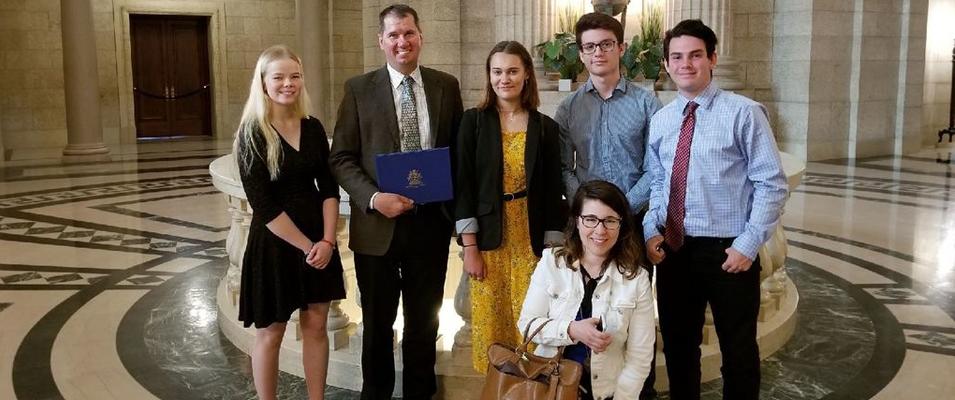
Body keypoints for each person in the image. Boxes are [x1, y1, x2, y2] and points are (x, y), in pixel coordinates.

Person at [643, 19, 789, 400]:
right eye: (676, 57)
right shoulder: (661, 120)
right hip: (676, 250)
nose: (685, 64)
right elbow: (658, 183)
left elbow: (771, 182)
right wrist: (651, 228)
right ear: (667, 63)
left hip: (729, 250)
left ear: (713, 58)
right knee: (678, 348)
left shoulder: (744, 113)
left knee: (738, 352)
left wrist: (749, 243)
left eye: (695, 55)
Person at [328, 4, 463, 399]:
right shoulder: (358, 89)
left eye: (408, 33)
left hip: (429, 226)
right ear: (381, 42)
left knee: (424, 324)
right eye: (393, 35)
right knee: (377, 325)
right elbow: (340, 157)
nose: (401, 42)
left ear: (420, 36)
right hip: (377, 229)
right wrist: (373, 197)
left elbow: (456, 154)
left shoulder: (445, 86)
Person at [555, 12, 662, 398]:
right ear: (580, 54)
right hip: (585, 230)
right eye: (589, 47)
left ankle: (637, 390)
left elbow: (657, 167)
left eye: (605, 44)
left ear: (621, 48)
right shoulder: (568, 108)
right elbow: (562, 166)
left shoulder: (647, 103)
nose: (597, 52)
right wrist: (589, 211)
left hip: (632, 220)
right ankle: (584, 388)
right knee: (586, 308)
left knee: (634, 315)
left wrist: (619, 211)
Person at [234, 45, 345, 400]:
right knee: (272, 332)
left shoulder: (312, 128)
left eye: (294, 76)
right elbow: (262, 204)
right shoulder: (252, 133)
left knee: (316, 326)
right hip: (275, 241)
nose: (288, 84)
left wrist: (327, 241)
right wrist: (308, 246)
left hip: (318, 237)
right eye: (279, 77)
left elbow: (329, 188)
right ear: (263, 83)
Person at [455, 40, 568, 373]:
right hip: (489, 241)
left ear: (527, 75)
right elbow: (463, 187)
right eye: (497, 71)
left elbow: (552, 191)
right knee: (494, 325)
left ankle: (532, 392)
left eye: (512, 71)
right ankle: (497, 390)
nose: (504, 78)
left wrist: (551, 251)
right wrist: (470, 247)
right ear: (489, 76)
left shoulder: (545, 127)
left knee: (532, 324)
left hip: (530, 241)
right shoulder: (473, 122)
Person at [518, 180, 655, 400]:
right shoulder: (551, 263)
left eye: (610, 221)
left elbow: (640, 357)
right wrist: (571, 329)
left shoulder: (637, 278)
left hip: (607, 393)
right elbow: (526, 325)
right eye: (591, 219)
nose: (600, 230)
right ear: (577, 221)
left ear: (621, 225)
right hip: (549, 387)